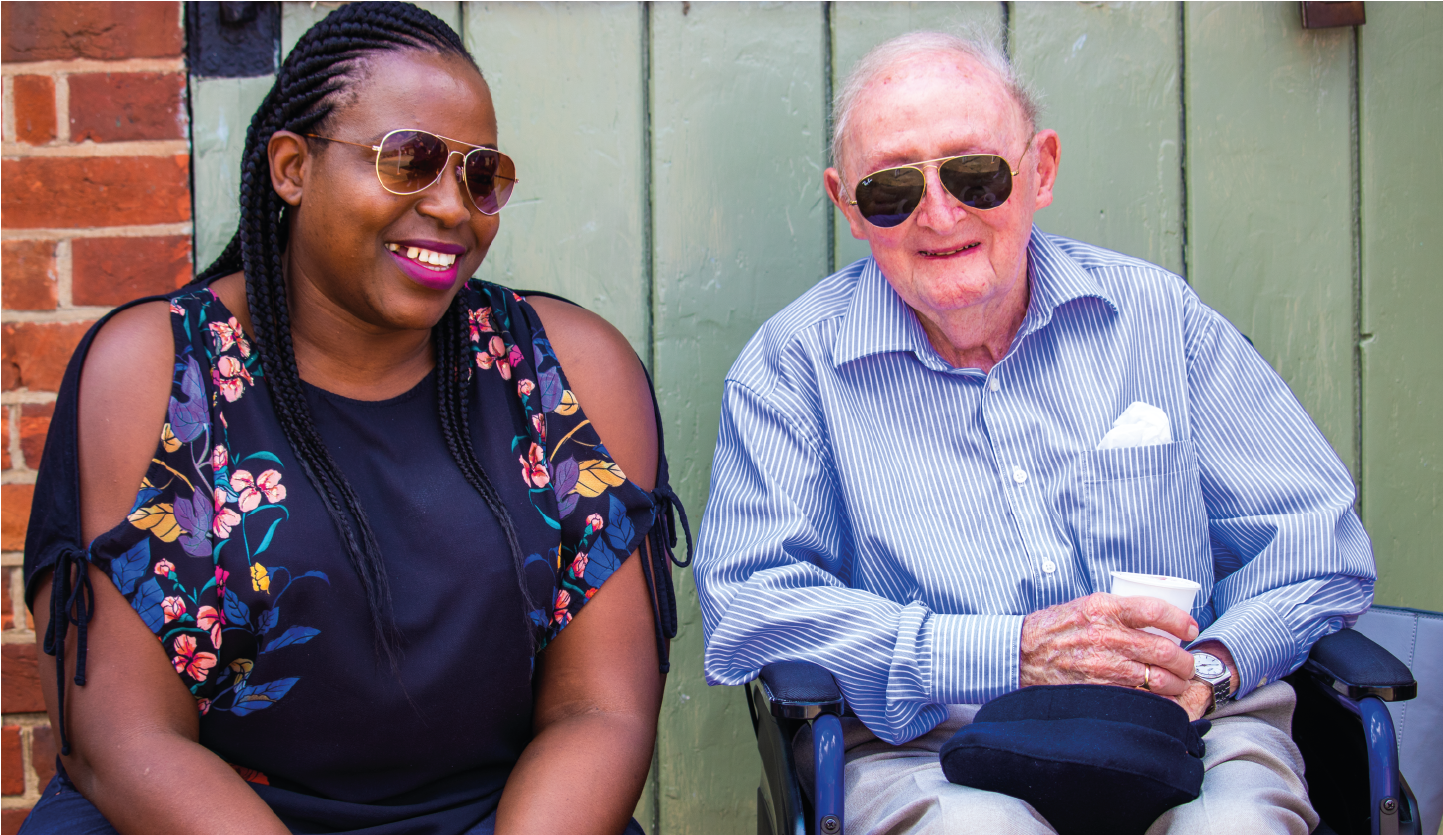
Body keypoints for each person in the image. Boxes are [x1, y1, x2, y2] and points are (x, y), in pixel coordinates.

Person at [21, 4, 688, 834]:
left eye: (480, 175)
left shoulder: (566, 373)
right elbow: (122, 737)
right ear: (293, 168)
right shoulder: (158, 370)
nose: (454, 207)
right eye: (408, 162)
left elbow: (600, 711)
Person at [694, 30, 1373, 835]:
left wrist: (1213, 667)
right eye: (892, 190)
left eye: (976, 175)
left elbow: (1317, 544)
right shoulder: (791, 367)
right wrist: (1001, 651)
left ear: (1040, 169)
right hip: (930, 746)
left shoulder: (1157, 318)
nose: (939, 215)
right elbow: (750, 604)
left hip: (1192, 727)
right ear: (848, 206)